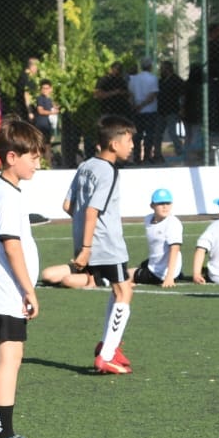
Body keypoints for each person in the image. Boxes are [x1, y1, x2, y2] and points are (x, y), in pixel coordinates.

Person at [0, 119, 44, 438]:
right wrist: (27, 289)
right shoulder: (6, 194)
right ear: (10, 157)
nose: (38, 163)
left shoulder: (8, 190)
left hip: (8, 291)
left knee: (12, 356)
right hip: (7, 292)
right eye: (32, 156)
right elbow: (11, 245)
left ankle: (2, 433)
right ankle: (1, 436)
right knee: (9, 357)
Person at [66, 115, 138, 374]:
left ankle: (109, 344)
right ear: (113, 144)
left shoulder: (85, 166)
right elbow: (92, 211)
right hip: (106, 243)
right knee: (124, 292)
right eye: (128, 140)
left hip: (90, 241)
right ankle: (107, 354)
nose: (132, 145)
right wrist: (88, 248)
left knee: (120, 289)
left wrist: (82, 242)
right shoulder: (108, 170)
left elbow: (68, 206)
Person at [134, 187, 182, 287]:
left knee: (125, 276)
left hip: (160, 273)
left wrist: (169, 277)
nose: (165, 206)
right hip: (155, 262)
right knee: (137, 267)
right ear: (152, 205)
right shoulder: (148, 219)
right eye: (160, 203)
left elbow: (175, 249)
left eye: (168, 203)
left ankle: (103, 281)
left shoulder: (173, 223)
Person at [127, 58, 161, 163]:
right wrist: (142, 105)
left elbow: (130, 94)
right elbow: (152, 95)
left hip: (137, 110)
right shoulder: (153, 78)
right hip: (150, 110)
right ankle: (147, 156)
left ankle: (137, 157)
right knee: (149, 134)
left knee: (137, 134)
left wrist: (135, 106)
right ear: (150, 67)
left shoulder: (133, 79)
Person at [157, 61, 185, 160]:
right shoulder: (161, 81)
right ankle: (157, 154)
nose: (160, 70)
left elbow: (182, 95)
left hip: (172, 110)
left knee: (172, 132)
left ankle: (179, 151)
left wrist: (182, 108)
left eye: (162, 68)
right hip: (161, 110)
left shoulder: (176, 80)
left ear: (168, 69)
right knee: (158, 132)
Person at [31, 80, 59, 156]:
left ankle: (48, 164)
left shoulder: (50, 99)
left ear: (51, 89)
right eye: (43, 88)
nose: (45, 90)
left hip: (48, 126)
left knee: (47, 145)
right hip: (41, 125)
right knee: (40, 145)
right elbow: (40, 111)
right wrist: (52, 112)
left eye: (47, 88)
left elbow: (56, 108)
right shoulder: (40, 98)